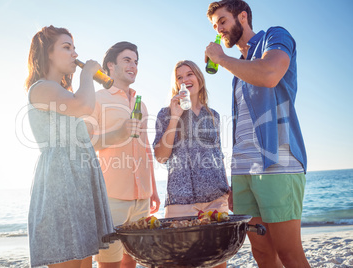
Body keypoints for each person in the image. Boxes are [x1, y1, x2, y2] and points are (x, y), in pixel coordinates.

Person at [205, 1, 310, 267]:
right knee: (261, 253)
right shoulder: (237, 69)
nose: (219, 29)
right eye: (215, 25)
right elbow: (242, 128)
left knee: (289, 253)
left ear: (242, 16)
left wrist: (221, 59)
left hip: (277, 162)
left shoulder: (275, 37)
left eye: (223, 21)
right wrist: (234, 180)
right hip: (243, 170)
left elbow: (271, 74)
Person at [25, 25, 114, 268]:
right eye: (67, 47)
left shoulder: (63, 92)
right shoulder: (41, 88)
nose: (75, 54)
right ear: (48, 53)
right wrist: (88, 74)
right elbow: (82, 105)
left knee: (85, 262)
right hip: (61, 182)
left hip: (81, 182)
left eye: (75, 48)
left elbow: (84, 136)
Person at [85, 41, 160, 268]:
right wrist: (118, 134)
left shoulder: (142, 105)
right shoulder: (97, 99)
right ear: (110, 66)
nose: (133, 66)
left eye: (136, 62)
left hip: (142, 199)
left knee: (132, 261)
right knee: (110, 264)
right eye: (127, 60)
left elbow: (146, 150)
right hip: (112, 197)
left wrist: (153, 191)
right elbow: (84, 143)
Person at [153, 60, 230, 268]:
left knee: (218, 262)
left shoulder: (212, 116)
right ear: (176, 84)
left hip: (216, 199)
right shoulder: (165, 113)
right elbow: (161, 156)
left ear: (199, 78)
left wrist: (228, 190)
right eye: (180, 77)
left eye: (190, 74)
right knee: (183, 262)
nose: (185, 80)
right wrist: (175, 118)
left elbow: (218, 155)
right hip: (181, 202)